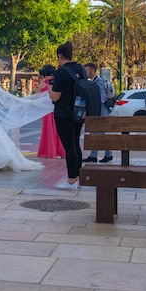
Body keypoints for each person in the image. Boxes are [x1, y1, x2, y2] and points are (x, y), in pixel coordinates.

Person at [48, 41, 88, 190]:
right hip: (79, 112)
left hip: (63, 114)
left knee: (69, 147)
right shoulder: (81, 69)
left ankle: (71, 180)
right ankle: (77, 177)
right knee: (75, 144)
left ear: (59, 56)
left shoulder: (61, 73)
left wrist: (49, 88)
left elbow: (55, 97)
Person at [83, 62, 113, 163]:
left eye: (86, 70)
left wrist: (93, 102)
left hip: (101, 112)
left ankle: (108, 154)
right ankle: (94, 155)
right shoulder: (94, 81)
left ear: (92, 71)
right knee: (95, 134)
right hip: (97, 112)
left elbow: (102, 97)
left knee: (100, 134)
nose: (85, 72)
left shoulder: (98, 82)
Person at [35, 64, 65, 159]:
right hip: (56, 108)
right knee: (58, 130)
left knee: (48, 130)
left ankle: (49, 151)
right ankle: (60, 151)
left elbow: (37, 96)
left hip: (46, 110)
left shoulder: (44, 83)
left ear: (43, 75)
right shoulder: (57, 81)